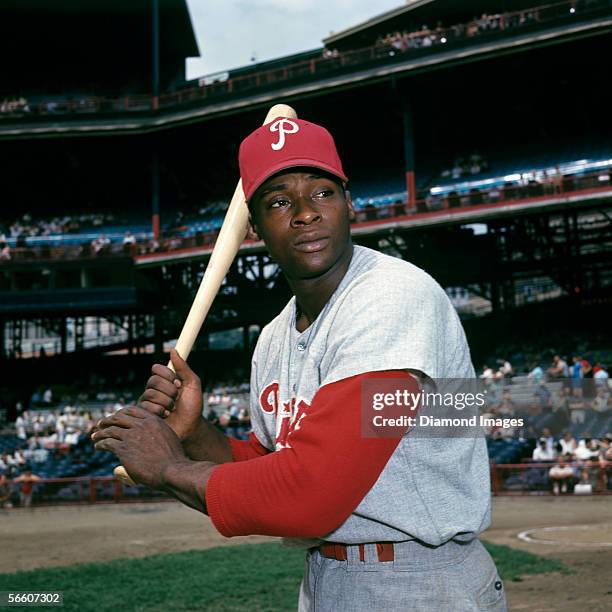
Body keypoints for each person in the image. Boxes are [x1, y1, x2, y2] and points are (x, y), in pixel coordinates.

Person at [92, 116, 506, 611]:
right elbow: (275, 471)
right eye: (280, 201)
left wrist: (168, 467)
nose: (306, 213)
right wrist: (194, 433)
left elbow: (311, 495)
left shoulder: (395, 296)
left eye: (323, 192)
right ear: (253, 226)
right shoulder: (273, 339)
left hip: (417, 581)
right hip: (325, 577)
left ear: (349, 204)